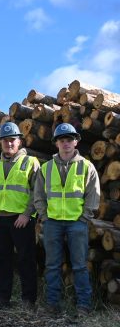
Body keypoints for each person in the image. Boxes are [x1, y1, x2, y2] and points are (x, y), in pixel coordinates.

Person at [34, 123, 100, 316]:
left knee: (80, 265)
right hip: (52, 223)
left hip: (76, 224)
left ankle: (83, 306)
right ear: (56, 144)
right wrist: (45, 217)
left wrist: (84, 217)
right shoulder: (46, 168)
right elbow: (38, 196)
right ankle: (52, 304)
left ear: (76, 141)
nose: (66, 144)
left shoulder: (87, 166)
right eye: (62, 140)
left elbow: (93, 195)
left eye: (69, 139)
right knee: (52, 265)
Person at [0, 122, 39, 310]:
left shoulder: (30, 162)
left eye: (12, 140)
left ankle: (28, 299)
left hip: (21, 220)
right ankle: (2, 297)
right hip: (0, 220)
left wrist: (27, 214)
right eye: (5, 140)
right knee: (3, 260)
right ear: (0, 142)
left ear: (19, 141)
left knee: (26, 259)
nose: (8, 144)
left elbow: (36, 192)